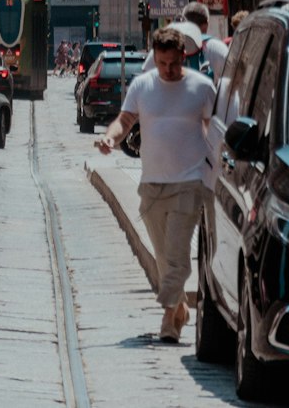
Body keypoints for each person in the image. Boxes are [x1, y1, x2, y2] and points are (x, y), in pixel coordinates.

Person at [96, 26, 213, 343]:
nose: (168, 70)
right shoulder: (142, 87)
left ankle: (167, 320)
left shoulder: (201, 89)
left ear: (183, 57)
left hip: (189, 182)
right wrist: (110, 137)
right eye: (161, 63)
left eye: (173, 63)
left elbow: (215, 131)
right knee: (163, 258)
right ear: (155, 58)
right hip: (151, 185)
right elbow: (125, 121)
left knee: (176, 257)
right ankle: (179, 310)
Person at [142, 2, 227, 79]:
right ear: (206, 25)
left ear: (183, 22)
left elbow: (146, 77)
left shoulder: (165, 45)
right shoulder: (217, 47)